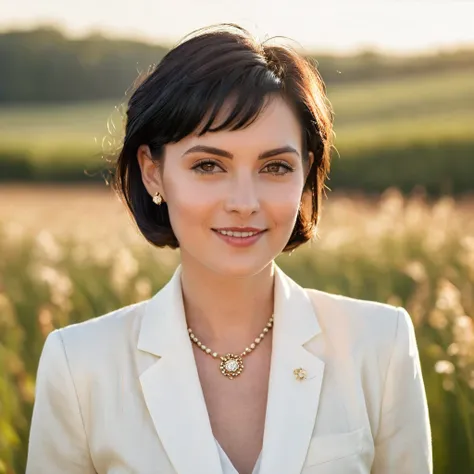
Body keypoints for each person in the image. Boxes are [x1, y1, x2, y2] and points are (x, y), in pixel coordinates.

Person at [25, 23, 432, 474]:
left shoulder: (381, 345)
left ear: (305, 174)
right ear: (152, 172)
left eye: (275, 166)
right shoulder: (79, 364)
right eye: (209, 165)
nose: (244, 203)